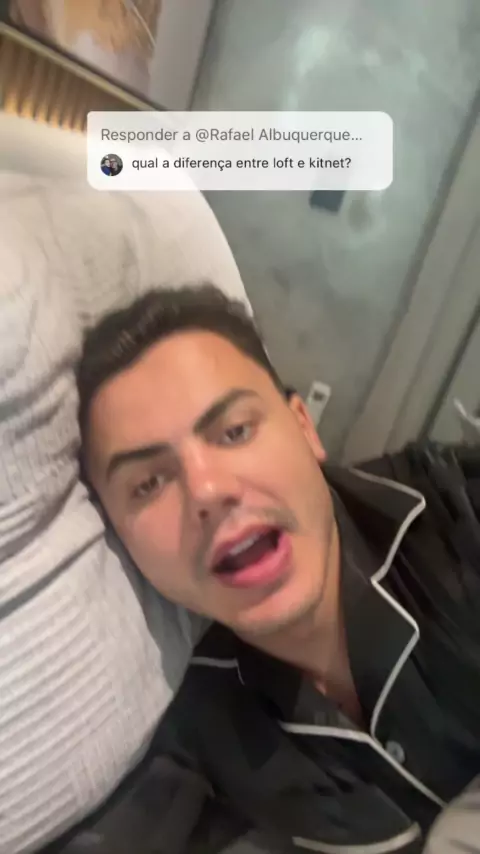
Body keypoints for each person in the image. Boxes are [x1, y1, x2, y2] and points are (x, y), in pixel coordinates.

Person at [77, 284, 480, 854]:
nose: (207, 491)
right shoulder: (191, 739)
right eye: (148, 483)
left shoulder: (459, 511)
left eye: (235, 431)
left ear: (304, 427)